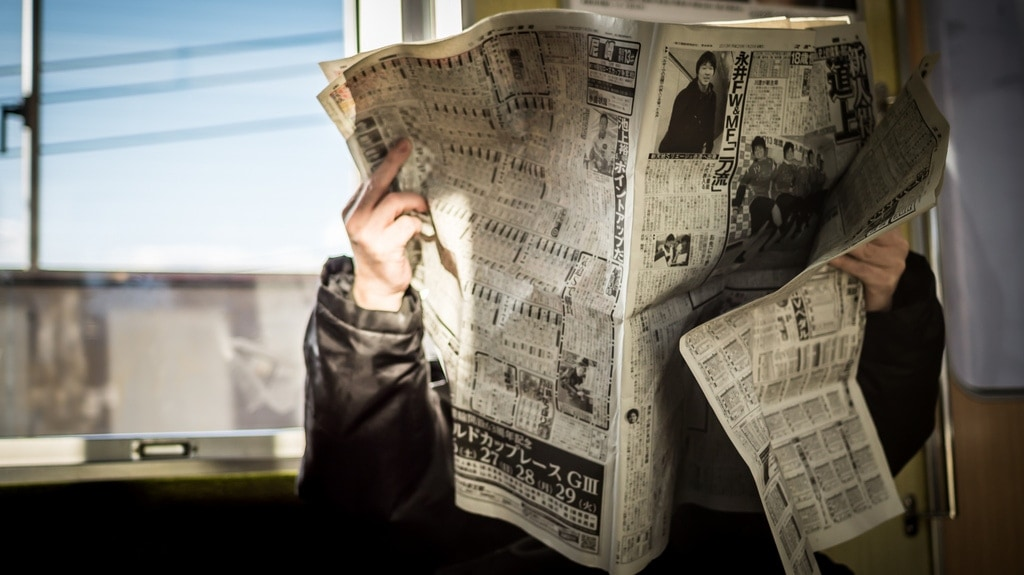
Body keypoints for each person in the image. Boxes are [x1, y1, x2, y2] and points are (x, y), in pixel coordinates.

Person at [296, 139, 945, 574]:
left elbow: (871, 452)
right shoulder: (465, 359)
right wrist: (372, 296)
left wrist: (892, 300)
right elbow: (364, 516)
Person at [658, 51, 718, 154]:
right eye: (704, 68)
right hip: (676, 149)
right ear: (697, 71)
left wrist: (709, 148)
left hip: (696, 150)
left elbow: (710, 124)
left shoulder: (712, 96)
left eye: (711, 68)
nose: (707, 72)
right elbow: (673, 130)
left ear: (713, 72)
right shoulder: (684, 96)